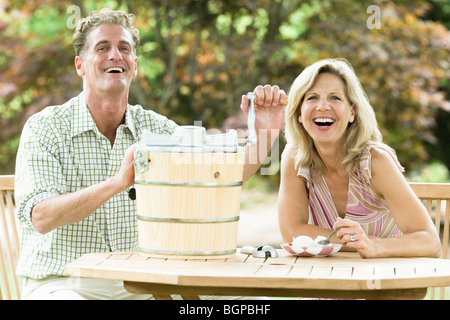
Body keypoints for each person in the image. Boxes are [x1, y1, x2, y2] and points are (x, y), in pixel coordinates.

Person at [15, 8, 286, 299]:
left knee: (254, 301)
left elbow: (219, 180)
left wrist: (265, 133)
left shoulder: (156, 128)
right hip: (63, 282)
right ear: (80, 65)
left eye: (124, 48)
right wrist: (117, 182)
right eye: (102, 48)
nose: (115, 55)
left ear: (134, 64)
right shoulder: (46, 128)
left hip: (143, 284)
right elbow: (40, 216)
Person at [278, 58, 441, 258]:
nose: (322, 106)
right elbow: (292, 233)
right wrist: (356, 241)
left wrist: (375, 246)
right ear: (299, 114)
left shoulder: (375, 162)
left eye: (335, 98)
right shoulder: (296, 158)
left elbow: (430, 241)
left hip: (387, 280)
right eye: (311, 98)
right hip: (331, 278)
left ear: (352, 112)